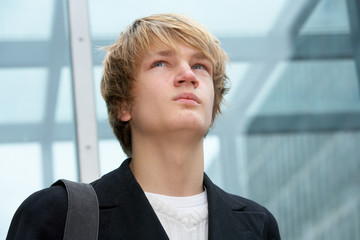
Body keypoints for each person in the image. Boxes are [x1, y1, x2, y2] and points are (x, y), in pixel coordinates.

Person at [7, 13, 281, 239]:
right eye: (161, 63)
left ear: (214, 105)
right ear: (123, 105)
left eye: (200, 66)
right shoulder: (57, 215)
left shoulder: (259, 227)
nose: (188, 75)